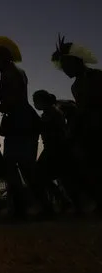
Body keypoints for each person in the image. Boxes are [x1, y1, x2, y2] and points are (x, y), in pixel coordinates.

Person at [0, 28, 48, 220]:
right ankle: (26, 206)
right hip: (20, 121)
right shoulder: (12, 72)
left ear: (3, 58)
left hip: (21, 121)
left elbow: (11, 104)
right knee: (19, 167)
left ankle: (35, 206)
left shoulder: (11, 74)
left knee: (21, 167)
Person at [51, 35, 102, 212]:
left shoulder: (97, 76)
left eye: (66, 65)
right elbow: (82, 109)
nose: (64, 70)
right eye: (63, 67)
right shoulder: (75, 86)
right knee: (85, 167)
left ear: (77, 62)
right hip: (87, 130)